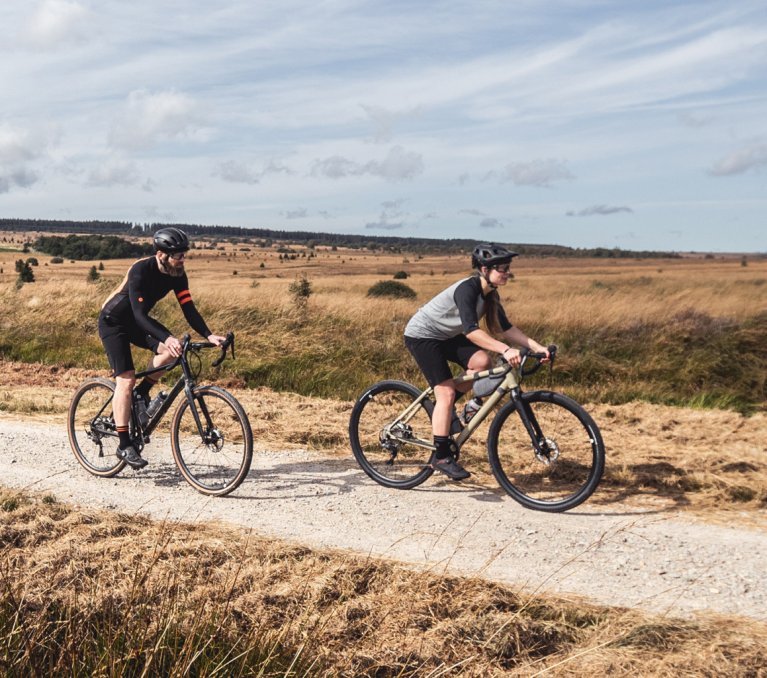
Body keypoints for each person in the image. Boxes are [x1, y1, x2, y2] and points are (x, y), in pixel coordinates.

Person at [404, 243, 550, 481]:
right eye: (501, 268)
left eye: (507, 268)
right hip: (423, 335)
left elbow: (506, 328)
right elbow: (471, 332)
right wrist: (505, 349)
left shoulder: (490, 294)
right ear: (484, 269)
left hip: (446, 336)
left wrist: (537, 347)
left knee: (482, 362)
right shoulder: (468, 289)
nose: (506, 272)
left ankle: (450, 411)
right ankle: (441, 456)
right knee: (446, 394)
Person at [98, 227, 226, 469]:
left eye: (184, 255)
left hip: (137, 323)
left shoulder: (178, 274)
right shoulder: (140, 270)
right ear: (161, 254)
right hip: (113, 322)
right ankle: (124, 444)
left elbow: (189, 308)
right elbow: (138, 314)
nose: (182, 259)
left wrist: (209, 335)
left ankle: (141, 393)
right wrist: (167, 336)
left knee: (170, 353)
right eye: (177, 255)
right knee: (125, 380)